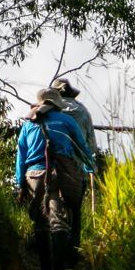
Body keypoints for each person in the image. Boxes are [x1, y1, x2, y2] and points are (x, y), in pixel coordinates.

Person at [15, 88, 95, 270]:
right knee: (58, 219)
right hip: (59, 173)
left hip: (34, 176)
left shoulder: (28, 125)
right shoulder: (67, 120)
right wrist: (90, 168)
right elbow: (82, 148)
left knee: (40, 222)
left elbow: (21, 155)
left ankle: (45, 269)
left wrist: (20, 184)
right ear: (57, 104)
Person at [49, 77, 99, 253]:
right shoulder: (83, 112)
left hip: (51, 167)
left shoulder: (49, 111)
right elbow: (91, 147)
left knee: (54, 211)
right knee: (75, 211)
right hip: (77, 170)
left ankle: (56, 256)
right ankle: (73, 253)